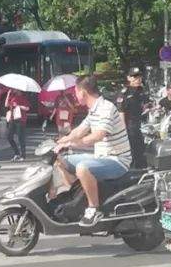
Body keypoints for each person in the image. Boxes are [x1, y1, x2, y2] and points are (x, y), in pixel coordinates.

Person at [54, 75, 133, 227]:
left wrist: (72, 144)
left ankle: (93, 208)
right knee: (60, 159)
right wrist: (60, 141)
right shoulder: (93, 110)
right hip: (101, 157)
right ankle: (75, 198)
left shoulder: (106, 108)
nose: (75, 96)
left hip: (117, 160)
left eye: (76, 92)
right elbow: (80, 130)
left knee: (83, 168)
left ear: (83, 92)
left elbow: (98, 135)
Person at [117, 68, 148, 168]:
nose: (138, 79)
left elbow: (143, 106)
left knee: (141, 150)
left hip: (141, 124)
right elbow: (121, 112)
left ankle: (142, 170)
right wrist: (123, 131)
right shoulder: (125, 93)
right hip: (130, 126)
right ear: (128, 78)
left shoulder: (141, 90)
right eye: (134, 77)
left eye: (139, 76)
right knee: (133, 151)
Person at [4, 88, 31, 162]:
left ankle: (23, 155)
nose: (12, 90)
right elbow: (6, 105)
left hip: (21, 120)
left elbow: (27, 108)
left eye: (14, 89)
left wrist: (18, 105)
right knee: (9, 137)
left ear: (18, 89)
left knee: (20, 137)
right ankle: (17, 153)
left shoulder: (23, 98)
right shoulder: (12, 96)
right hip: (12, 119)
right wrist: (8, 94)